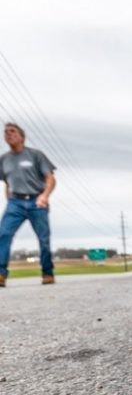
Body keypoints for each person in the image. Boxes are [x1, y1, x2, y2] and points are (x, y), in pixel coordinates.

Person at [0, 122, 57, 287]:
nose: (8, 134)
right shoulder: (4, 159)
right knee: (3, 234)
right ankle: (1, 273)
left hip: (36, 201)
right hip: (15, 202)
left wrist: (44, 196)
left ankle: (47, 272)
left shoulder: (35, 155)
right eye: (6, 132)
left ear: (21, 137)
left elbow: (50, 178)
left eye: (12, 131)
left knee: (43, 238)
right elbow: (7, 183)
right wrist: (10, 200)